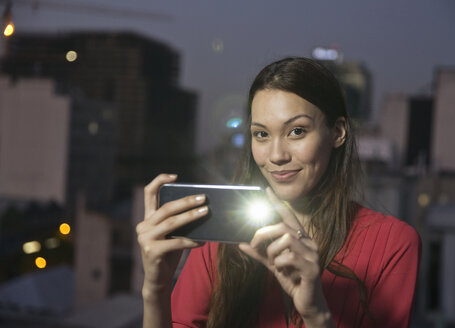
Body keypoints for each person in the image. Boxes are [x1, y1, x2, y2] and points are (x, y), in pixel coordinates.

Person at [136, 57, 421, 328]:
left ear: (338, 132)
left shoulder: (394, 245)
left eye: (296, 131)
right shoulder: (221, 234)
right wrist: (155, 289)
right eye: (261, 134)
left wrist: (316, 313)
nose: (276, 155)